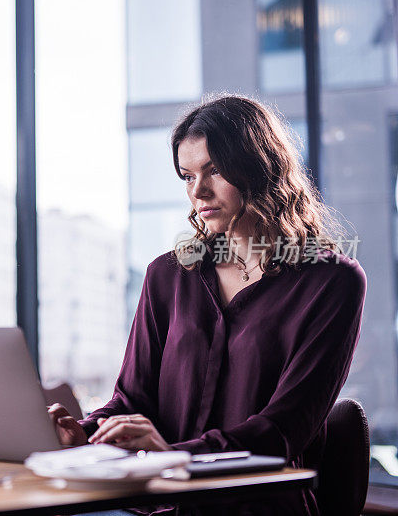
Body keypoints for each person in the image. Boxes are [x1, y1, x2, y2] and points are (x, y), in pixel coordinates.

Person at [48, 94, 367, 515]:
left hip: (258, 507)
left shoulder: (332, 281)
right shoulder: (167, 275)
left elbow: (282, 430)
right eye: (187, 175)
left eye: (214, 170)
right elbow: (131, 401)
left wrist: (175, 455)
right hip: (159, 504)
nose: (198, 191)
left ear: (259, 168)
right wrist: (84, 432)